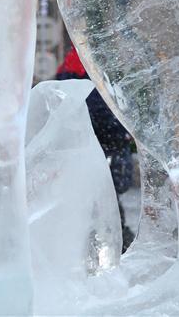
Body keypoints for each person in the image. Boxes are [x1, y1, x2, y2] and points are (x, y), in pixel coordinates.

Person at [56, 45, 135, 251]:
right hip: (106, 148)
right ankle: (114, 239)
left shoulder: (66, 75)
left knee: (96, 198)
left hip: (93, 148)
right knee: (107, 198)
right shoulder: (99, 80)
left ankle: (101, 238)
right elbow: (109, 115)